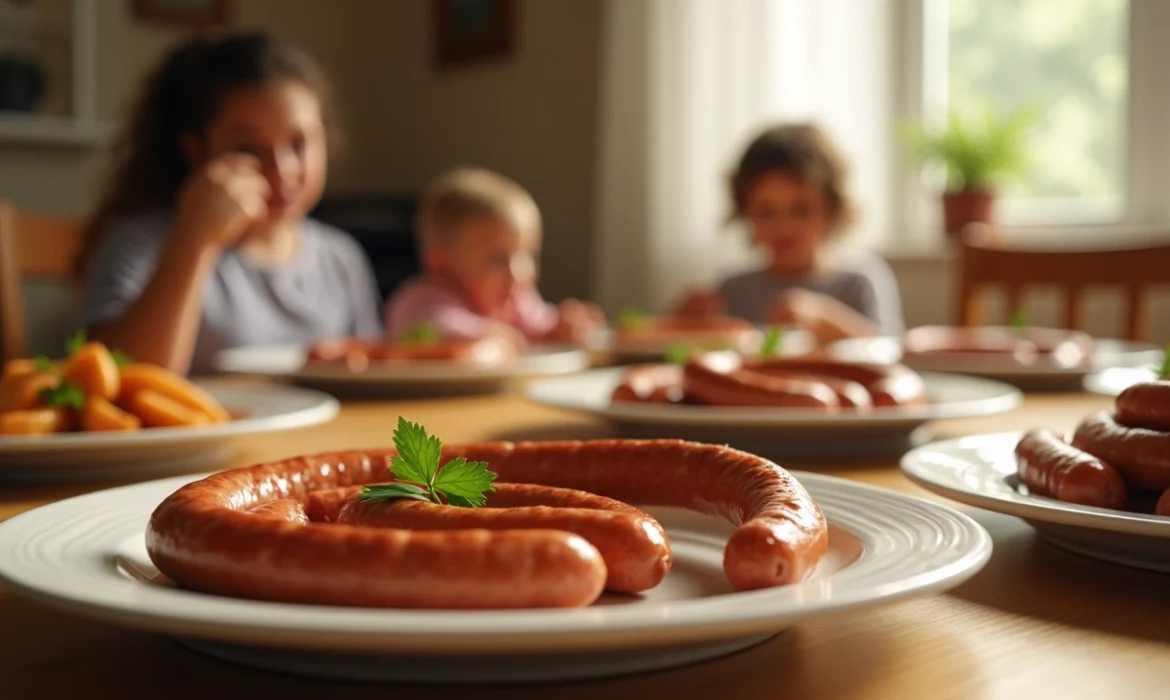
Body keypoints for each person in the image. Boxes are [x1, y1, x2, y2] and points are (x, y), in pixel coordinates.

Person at [77, 31, 383, 376]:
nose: (282, 171)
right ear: (196, 152)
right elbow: (118, 383)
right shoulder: (143, 244)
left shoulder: (341, 258)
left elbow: (371, 371)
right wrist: (194, 240)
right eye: (249, 148)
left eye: (298, 144)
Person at [677, 123, 904, 342]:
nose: (784, 227)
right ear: (745, 212)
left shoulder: (860, 281)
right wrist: (680, 325)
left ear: (832, 207)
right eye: (766, 212)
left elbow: (894, 356)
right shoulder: (732, 290)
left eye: (801, 209)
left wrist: (828, 322)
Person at [384, 167, 604, 350]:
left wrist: (561, 328)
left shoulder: (516, 300)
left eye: (528, 255)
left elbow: (541, 327)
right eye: (497, 259)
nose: (519, 273)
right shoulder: (420, 299)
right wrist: (483, 334)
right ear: (442, 265)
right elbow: (438, 330)